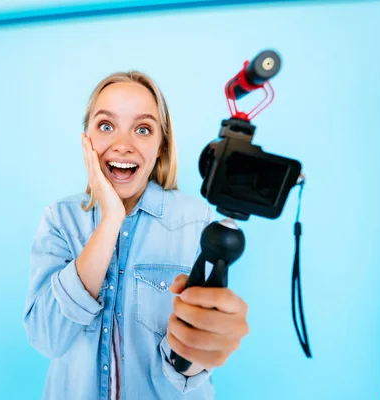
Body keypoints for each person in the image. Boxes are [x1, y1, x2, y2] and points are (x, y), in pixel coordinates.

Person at [23, 70, 250, 400]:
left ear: (161, 146)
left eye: (142, 129)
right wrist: (111, 218)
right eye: (106, 125)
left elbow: (187, 370)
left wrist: (199, 347)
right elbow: (47, 337)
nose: (123, 145)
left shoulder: (195, 221)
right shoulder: (60, 219)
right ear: (86, 139)